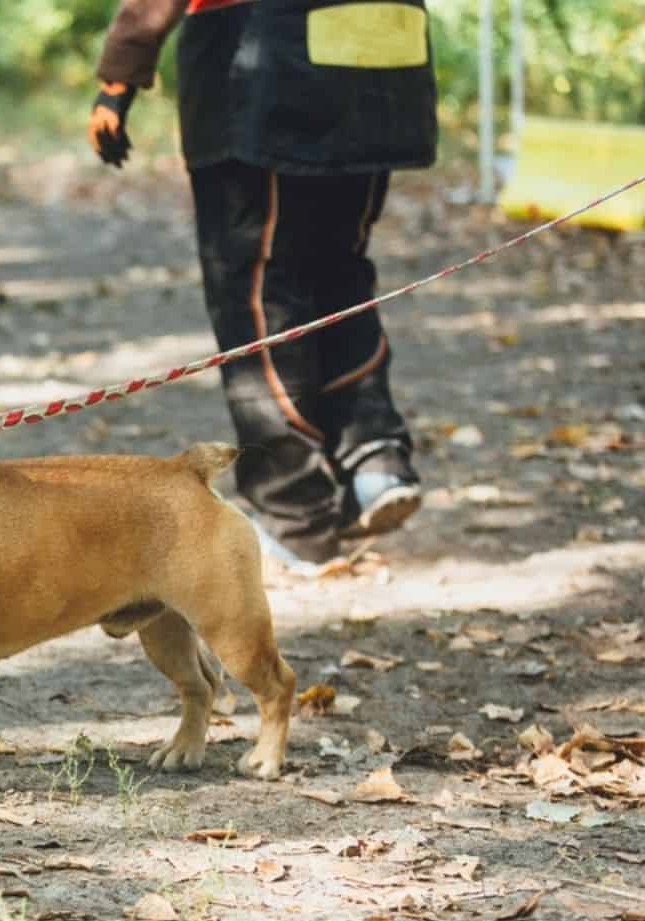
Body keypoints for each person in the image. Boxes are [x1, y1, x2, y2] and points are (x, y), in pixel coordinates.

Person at [89, 0, 436, 574]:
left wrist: (120, 72)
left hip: (268, 66)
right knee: (340, 269)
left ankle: (293, 516)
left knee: (255, 289)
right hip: (382, 65)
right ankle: (376, 459)